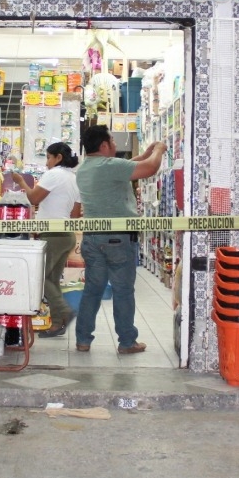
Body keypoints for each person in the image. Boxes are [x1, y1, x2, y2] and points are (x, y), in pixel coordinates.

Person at [72, 125, 166, 354]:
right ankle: (126, 341)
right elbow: (150, 168)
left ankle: (83, 339)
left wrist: (145, 154)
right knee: (123, 291)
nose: (115, 145)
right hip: (117, 239)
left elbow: (131, 165)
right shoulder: (109, 166)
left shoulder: (85, 168)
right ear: (104, 145)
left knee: (92, 290)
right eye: (112, 141)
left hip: (92, 238)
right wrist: (160, 150)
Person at [7, 142, 82, 338]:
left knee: (39, 277)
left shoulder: (54, 174)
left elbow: (33, 199)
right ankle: (57, 324)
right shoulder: (74, 179)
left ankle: (64, 311)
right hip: (66, 235)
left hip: (53, 234)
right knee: (52, 280)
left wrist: (21, 181)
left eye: (48, 157)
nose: (47, 162)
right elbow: (75, 214)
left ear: (58, 158)